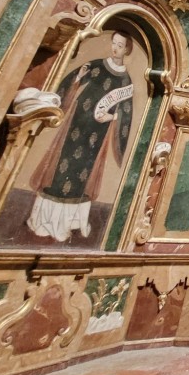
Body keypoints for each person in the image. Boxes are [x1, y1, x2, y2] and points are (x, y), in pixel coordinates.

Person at [27, 31, 134, 242]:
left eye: (120, 45)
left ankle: (72, 221)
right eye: (114, 43)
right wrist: (78, 76)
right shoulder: (97, 65)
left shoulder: (125, 80)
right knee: (63, 164)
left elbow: (126, 112)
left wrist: (111, 117)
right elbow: (71, 81)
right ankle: (48, 220)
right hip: (78, 120)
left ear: (126, 49)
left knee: (85, 170)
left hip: (98, 130)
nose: (115, 48)